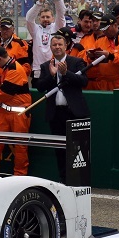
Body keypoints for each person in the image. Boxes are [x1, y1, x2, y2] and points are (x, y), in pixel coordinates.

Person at [36, 29, 90, 182]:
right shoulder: (46, 66)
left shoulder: (76, 62)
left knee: (78, 148)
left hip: (74, 112)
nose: (57, 47)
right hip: (56, 114)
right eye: (54, 45)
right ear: (51, 47)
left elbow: (83, 82)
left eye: (60, 44)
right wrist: (52, 75)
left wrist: (66, 73)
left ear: (66, 46)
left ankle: (79, 178)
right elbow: (40, 86)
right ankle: (63, 179)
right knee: (60, 148)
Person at [0, 47, 31, 175]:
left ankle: (20, 175)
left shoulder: (15, 69)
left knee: (20, 146)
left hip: (19, 113)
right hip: (4, 111)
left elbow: (5, 92)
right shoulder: (7, 67)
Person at [26, 0, 65, 79]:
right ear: (39, 19)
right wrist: (39, 3)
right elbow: (29, 19)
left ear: (53, 18)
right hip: (38, 70)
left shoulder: (56, 28)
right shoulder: (35, 30)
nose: (45, 19)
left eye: (48, 17)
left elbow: (61, 14)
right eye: (43, 17)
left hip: (55, 69)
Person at [86, 15, 119, 90]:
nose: (104, 31)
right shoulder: (100, 40)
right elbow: (93, 62)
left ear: (115, 25)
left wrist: (110, 56)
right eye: (103, 29)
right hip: (103, 83)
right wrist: (91, 57)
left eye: (106, 29)